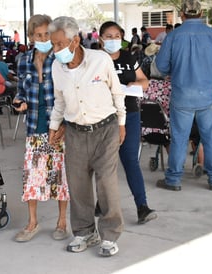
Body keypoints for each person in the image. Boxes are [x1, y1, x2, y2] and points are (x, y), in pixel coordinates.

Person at [48, 16, 125, 257]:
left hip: (106, 130)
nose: (56, 50)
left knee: (106, 184)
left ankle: (110, 236)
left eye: (60, 44)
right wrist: (54, 125)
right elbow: (59, 101)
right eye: (53, 44)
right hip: (75, 133)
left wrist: (122, 123)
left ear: (76, 40)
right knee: (78, 186)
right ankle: (84, 232)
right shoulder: (56, 67)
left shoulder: (99, 60)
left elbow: (117, 92)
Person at [155, 0, 212, 191]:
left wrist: (174, 70)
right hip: (208, 96)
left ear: (182, 14)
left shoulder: (173, 36)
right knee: (210, 137)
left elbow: (161, 66)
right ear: (201, 13)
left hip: (181, 95)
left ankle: (173, 180)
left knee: (179, 138)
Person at [12, 14, 70, 243]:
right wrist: (19, 102)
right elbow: (20, 91)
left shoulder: (60, 59)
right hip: (34, 127)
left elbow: (68, 93)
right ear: (31, 37)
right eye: (39, 35)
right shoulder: (23, 60)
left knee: (60, 176)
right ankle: (32, 222)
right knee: (32, 176)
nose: (44, 38)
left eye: (47, 34)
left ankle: (62, 222)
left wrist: (64, 123)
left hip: (57, 128)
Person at [98, 21, 156, 224]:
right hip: (104, 117)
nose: (113, 40)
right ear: (100, 38)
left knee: (130, 159)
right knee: (105, 162)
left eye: (116, 36)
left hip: (130, 113)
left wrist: (136, 83)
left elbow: (144, 80)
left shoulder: (129, 57)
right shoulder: (96, 59)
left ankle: (142, 206)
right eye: (108, 36)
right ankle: (102, 203)